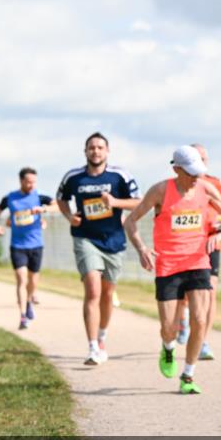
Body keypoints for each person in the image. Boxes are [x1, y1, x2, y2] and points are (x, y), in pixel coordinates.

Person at [124, 145, 221, 394]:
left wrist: (220, 230)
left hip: (198, 262)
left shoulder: (206, 188)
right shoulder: (160, 191)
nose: (196, 178)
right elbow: (131, 220)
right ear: (176, 169)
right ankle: (168, 348)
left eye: (199, 172)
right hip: (168, 266)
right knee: (169, 327)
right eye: (190, 173)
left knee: (200, 320)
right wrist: (142, 249)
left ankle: (188, 376)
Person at [57, 132, 141, 366]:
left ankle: (102, 334)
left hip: (114, 240)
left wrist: (114, 203)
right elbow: (61, 199)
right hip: (85, 238)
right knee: (93, 290)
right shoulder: (74, 177)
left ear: (107, 151)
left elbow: (138, 201)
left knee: (106, 293)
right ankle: (93, 347)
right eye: (91, 148)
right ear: (85, 151)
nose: (95, 151)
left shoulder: (119, 176)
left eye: (100, 147)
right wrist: (68, 216)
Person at [173, 143, 221, 360]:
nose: (202, 163)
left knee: (210, 293)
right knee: (183, 295)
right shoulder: (178, 185)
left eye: (205, 159)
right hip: (186, 246)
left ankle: (203, 341)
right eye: (198, 158)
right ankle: (183, 321)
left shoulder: (213, 183)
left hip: (210, 244)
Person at [0, 167, 55, 330]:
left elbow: (58, 205)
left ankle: (28, 302)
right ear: (21, 181)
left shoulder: (39, 196)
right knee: (22, 279)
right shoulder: (10, 198)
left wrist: (44, 209)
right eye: (28, 182)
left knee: (33, 282)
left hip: (36, 245)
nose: (31, 185)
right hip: (17, 245)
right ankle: (22, 316)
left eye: (34, 182)